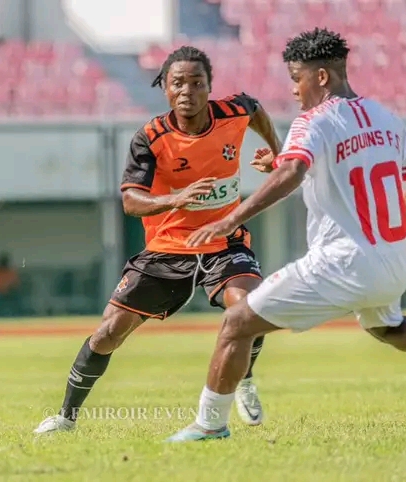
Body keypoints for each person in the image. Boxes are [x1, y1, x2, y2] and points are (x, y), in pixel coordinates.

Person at [167, 27, 406, 442]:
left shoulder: (312, 121)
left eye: (296, 79)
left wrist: (230, 219)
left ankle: (209, 424)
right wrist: (370, 218)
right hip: (393, 261)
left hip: (343, 261)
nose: (294, 90)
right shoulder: (386, 118)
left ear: (321, 77)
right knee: (387, 326)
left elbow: (294, 171)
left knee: (237, 322)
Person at [33, 45, 283, 434]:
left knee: (249, 307)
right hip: (168, 248)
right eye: (177, 83)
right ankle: (66, 418)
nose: (187, 90)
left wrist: (277, 152)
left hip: (224, 241)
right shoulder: (150, 137)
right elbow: (131, 201)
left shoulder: (234, 111)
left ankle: (244, 379)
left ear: (209, 87)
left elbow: (255, 109)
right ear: (164, 88)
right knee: (108, 332)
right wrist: (175, 199)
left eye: (196, 83)